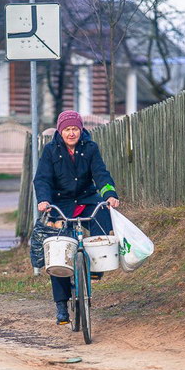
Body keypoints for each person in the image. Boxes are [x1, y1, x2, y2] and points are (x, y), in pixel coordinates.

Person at [33, 110, 120, 325]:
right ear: (60, 131)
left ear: (81, 130)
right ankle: (62, 306)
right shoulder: (51, 150)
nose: (72, 133)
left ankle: (96, 267)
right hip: (60, 204)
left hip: (86, 199)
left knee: (103, 213)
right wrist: (44, 200)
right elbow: (42, 179)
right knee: (58, 252)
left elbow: (101, 174)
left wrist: (110, 194)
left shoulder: (90, 148)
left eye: (75, 129)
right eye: (67, 129)